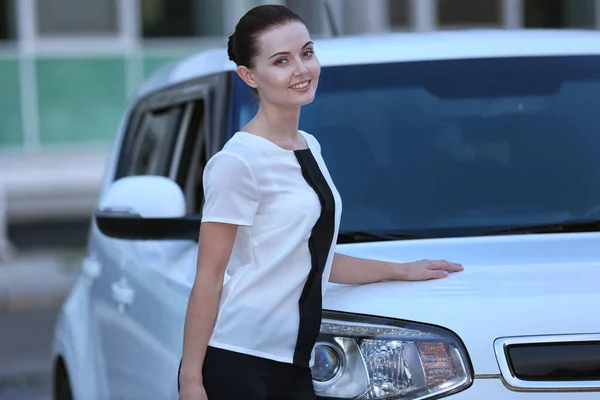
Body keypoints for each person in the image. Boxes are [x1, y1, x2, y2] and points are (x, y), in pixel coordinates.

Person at [178, 5, 464, 400]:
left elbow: (314, 259)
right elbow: (208, 277)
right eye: (281, 61)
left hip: (298, 362)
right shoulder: (237, 161)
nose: (301, 69)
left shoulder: (309, 145)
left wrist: (402, 270)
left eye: (306, 53)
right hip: (240, 357)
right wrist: (190, 380)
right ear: (249, 76)